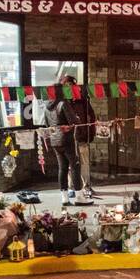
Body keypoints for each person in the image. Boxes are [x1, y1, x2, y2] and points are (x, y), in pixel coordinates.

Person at [52, 77, 92, 205]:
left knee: (62, 168)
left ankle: (64, 197)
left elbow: (47, 124)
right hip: (67, 139)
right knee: (75, 166)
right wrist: (78, 118)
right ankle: (79, 197)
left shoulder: (48, 106)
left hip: (55, 141)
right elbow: (74, 121)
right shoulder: (63, 103)